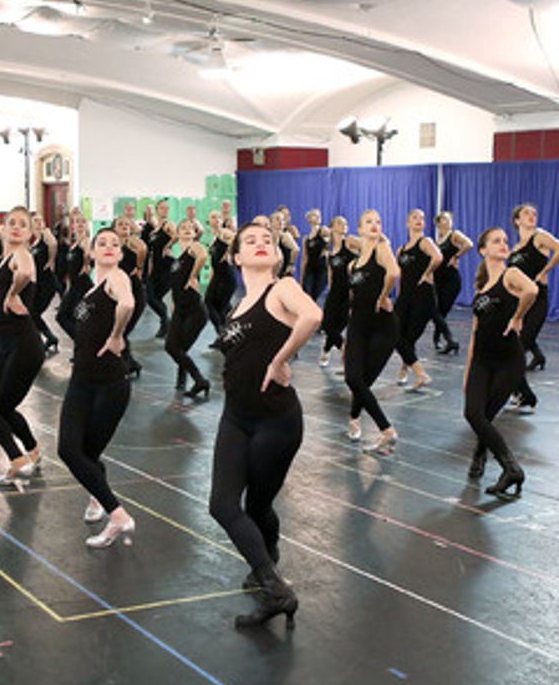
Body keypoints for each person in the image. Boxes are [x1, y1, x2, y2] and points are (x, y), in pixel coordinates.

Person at [210, 222, 322, 628]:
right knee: (222, 505)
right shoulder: (236, 305)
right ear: (236, 257)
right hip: (235, 417)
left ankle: (270, 574)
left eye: (268, 241)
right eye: (250, 241)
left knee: (257, 505)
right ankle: (273, 582)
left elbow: (312, 315)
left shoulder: (283, 288)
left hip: (276, 421)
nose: (260, 244)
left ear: (277, 254)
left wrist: (280, 359)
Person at [60, 227, 139, 548]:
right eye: (101, 244)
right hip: (82, 379)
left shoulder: (117, 278)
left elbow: (128, 304)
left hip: (110, 383)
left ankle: (118, 517)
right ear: (91, 253)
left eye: (115, 244)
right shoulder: (90, 288)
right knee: (72, 451)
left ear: (120, 254)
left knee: (84, 454)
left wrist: (118, 335)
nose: (108, 247)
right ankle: (99, 500)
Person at [463, 228, 537, 496]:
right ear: (483, 250)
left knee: (486, 415)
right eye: (497, 241)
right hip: (482, 360)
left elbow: (532, 290)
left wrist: (518, 315)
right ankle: (487, 455)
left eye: (506, 241)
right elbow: (475, 332)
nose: (504, 244)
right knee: (473, 413)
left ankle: (509, 467)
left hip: (508, 361)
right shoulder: (481, 288)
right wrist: (468, 370)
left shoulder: (511, 274)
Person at [0, 207, 46, 485]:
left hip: (23, 347)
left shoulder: (22, 254)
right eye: (11, 223)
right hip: (5, 346)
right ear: (3, 229)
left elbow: (26, 272)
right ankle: (32, 451)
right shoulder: (5, 258)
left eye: (22, 225)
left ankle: (18, 460)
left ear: (30, 233)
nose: (16, 227)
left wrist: (14, 293)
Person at [344, 209, 400, 454]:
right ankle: (376, 426)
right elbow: (353, 298)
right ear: (360, 229)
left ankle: (373, 426)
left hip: (383, 327)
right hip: (357, 324)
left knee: (363, 380)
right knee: (353, 378)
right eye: (369, 222)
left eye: (378, 221)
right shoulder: (352, 265)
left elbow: (394, 272)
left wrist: (384, 296)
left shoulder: (382, 249)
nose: (375, 225)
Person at [507, 204, 559, 410]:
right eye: (527, 213)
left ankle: (525, 395)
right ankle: (522, 393)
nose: (532, 216)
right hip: (518, 303)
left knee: (519, 347)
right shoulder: (514, 249)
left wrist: (545, 271)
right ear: (517, 220)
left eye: (534, 213)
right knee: (513, 349)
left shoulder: (539, 236)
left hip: (538, 300)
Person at [393, 209, 443, 391]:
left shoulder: (425, 242)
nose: (419, 221)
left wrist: (427, 273)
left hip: (423, 296)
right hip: (405, 297)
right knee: (396, 334)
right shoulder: (401, 249)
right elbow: (400, 276)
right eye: (415, 218)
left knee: (409, 337)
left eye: (422, 218)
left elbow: (438, 257)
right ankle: (416, 371)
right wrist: (398, 295)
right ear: (407, 223)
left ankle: (413, 371)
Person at [165, 219, 211, 397]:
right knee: (172, 346)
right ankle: (191, 379)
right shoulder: (178, 257)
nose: (186, 230)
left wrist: (193, 276)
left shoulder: (194, 247)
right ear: (177, 234)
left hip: (195, 310)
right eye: (182, 228)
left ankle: (199, 380)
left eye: (189, 228)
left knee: (178, 348)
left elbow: (203, 256)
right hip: (180, 308)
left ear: (195, 233)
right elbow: (175, 284)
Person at [430, 212, 472, 355]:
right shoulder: (437, 241)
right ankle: (440, 339)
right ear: (438, 223)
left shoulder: (454, 235)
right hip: (438, 280)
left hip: (451, 281)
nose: (448, 222)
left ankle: (449, 341)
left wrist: (456, 256)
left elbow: (468, 244)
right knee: (436, 311)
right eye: (444, 219)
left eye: (449, 219)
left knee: (440, 311)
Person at [318, 216, 356, 366]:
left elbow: (368, 247)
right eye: (340, 223)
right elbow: (331, 274)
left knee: (339, 326)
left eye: (345, 223)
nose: (344, 225)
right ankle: (345, 350)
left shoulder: (350, 241)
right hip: (335, 291)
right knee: (327, 325)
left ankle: (327, 350)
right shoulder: (330, 251)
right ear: (332, 227)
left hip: (350, 291)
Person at [116, 216, 148, 378]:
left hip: (135, 293)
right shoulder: (114, 246)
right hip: (121, 294)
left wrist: (139, 267)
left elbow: (142, 248)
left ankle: (129, 364)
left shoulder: (131, 242)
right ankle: (130, 364)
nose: (124, 227)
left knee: (121, 332)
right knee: (120, 331)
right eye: (120, 224)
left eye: (126, 225)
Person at [56, 210, 91, 343]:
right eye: (77, 222)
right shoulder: (74, 244)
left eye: (83, 222)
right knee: (64, 317)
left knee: (73, 317)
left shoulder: (85, 241)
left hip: (83, 286)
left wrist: (87, 264)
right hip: (74, 287)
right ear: (73, 225)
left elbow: (89, 253)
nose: (80, 224)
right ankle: (81, 344)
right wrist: (68, 287)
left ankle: (82, 345)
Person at [29, 213, 61, 354]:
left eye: (40, 220)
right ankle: (46, 338)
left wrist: (51, 260)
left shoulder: (46, 235)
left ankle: (49, 337)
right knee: (32, 314)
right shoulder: (35, 241)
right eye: (35, 221)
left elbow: (53, 244)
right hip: (38, 284)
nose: (38, 223)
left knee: (33, 314)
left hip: (47, 283)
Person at [145, 200, 176, 338]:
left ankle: (165, 322)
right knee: (150, 297)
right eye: (162, 208)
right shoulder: (155, 229)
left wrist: (167, 246)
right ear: (157, 210)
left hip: (167, 266)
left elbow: (177, 235)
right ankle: (166, 321)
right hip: (155, 268)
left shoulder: (168, 224)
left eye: (167, 208)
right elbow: (151, 252)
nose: (165, 210)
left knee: (155, 297)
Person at [203, 211, 237, 335]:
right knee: (209, 304)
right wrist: (211, 279)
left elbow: (237, 239)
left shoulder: (225, 233)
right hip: (217, 276)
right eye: (213, 217)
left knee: (219, 307)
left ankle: (223, 334)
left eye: (218, 217)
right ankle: (224, 333)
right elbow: (214, 261)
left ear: (222, 220)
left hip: (227, 277)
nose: (216, 220)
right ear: (209, 221)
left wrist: (229, 252)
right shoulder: (214, 236)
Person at [299, 209, 330, 302]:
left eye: (318, 216)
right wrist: (301, 277)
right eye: (314, 215)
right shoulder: (306, 239)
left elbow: (331, 237)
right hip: (310, 267)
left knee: (319, 292)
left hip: (321, 267)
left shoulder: (323, 230)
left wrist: (327, 249)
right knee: (308, 293)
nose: (317, 218)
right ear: (309, 219)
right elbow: (305, 258)